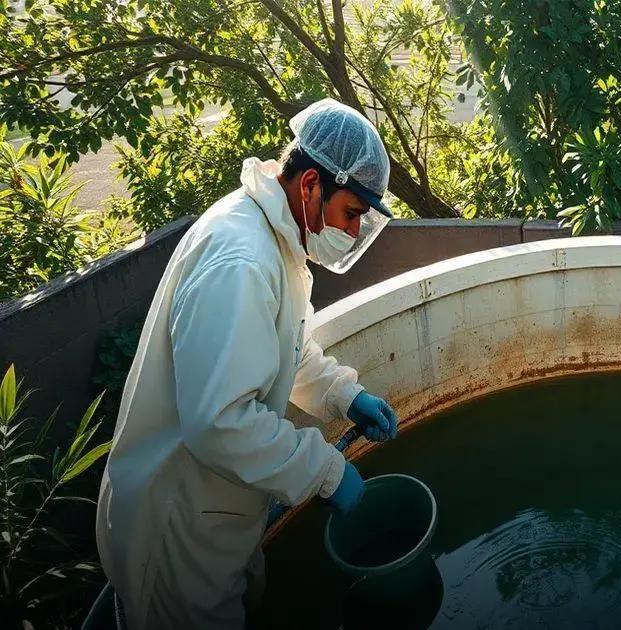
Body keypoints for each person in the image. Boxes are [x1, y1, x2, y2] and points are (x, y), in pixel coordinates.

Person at [96, 98, 402, 629]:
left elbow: (287, 348)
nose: (354, 233)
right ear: (310, 185)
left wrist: (344, 395)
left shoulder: (273, 239)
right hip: (177, 535)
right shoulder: (240, 260)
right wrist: (326, 472)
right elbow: (220, 422)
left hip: (215, 515)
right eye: (351, 213)